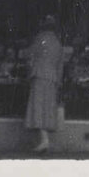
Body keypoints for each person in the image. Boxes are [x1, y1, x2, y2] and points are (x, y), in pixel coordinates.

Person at [23, 14, 66, 153]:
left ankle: (44, 140)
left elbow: (30, 57)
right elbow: (60, 65)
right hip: (52, 79)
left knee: (38, 107)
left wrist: (29, 73)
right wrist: (58, 81)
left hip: (39, 75)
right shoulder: (58, 43)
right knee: (47, 108)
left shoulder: (39, 39)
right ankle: (43, 140)